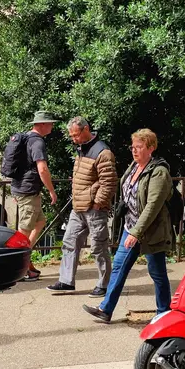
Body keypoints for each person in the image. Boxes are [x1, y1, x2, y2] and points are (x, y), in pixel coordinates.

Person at [82, 129, 174, 323]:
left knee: (157, 273)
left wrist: (137, 232)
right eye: (133, 147)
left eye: (139, 147)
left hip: (150, 231)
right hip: (130, 227)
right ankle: (105, 310)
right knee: (118, 267)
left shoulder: (159, 171)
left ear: (151, 148)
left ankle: (164, 312)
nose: (134, 151)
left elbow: (153, 205)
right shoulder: (134, 166)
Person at [46, 116, 117, 297]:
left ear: (86, 130)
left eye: (75, 135)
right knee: (69, 242)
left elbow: (109, 182)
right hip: (78, 206)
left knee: (98, 247)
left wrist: (98, 202)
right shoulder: (82, 149)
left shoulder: (102, 151)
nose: (73, 139)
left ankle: (104, 284)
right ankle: (66, 281)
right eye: (72, 136)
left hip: (94, 208)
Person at [9, 111, 59, 281]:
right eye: (50, 123)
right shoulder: (37, 142)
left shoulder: (25, 138)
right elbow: (42, 169)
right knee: (23, 231)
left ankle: (25, 259)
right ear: (42, 124)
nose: (52, 126)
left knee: (39, 222)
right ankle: (17, 269)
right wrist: (52, 190)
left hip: (21, 188)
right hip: (28, 191)